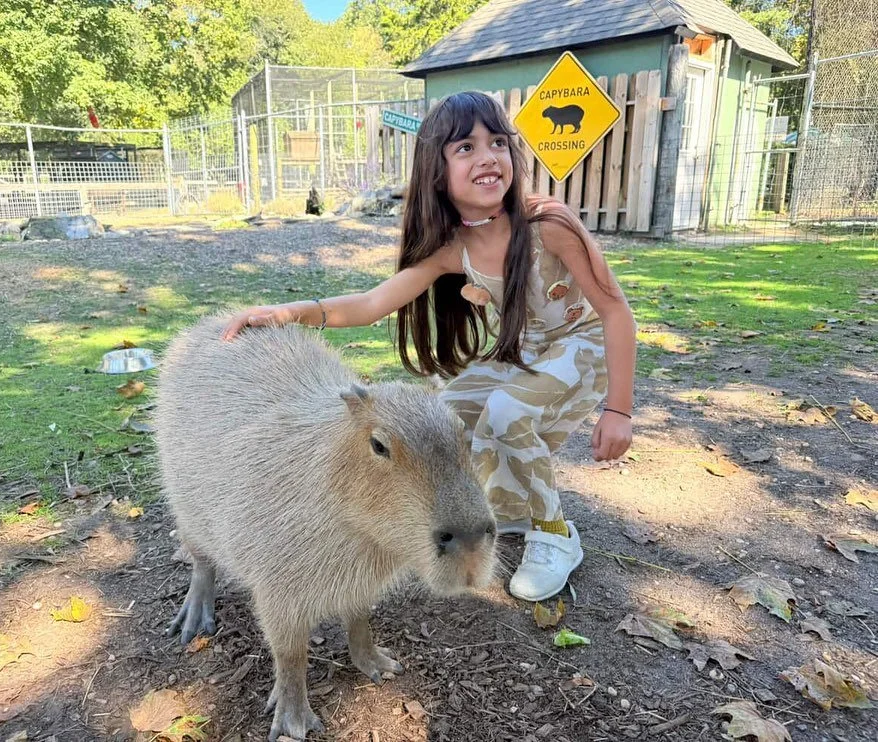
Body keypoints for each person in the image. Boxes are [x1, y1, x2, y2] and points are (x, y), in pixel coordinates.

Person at [221, 91, 636, 602]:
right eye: (465, 147)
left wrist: (619, 410)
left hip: (584, 343)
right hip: (528, 349)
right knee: (448, 411)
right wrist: (287, 313)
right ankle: (489, 512)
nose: (487, 156)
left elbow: (616, 311)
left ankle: (554, 535)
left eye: (498, 143)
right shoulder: (452, 249)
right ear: (437, 171)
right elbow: (373, 303)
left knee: (505, 412)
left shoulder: (548, 226)